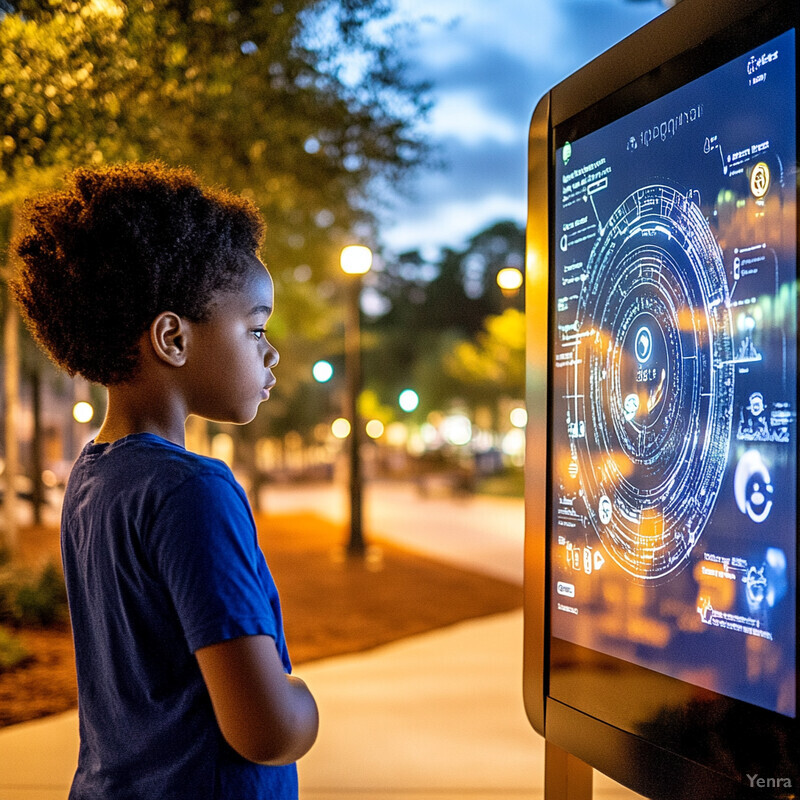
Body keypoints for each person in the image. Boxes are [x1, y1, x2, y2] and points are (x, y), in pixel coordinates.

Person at [10, 162, 319, 799]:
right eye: (255, 328)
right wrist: (302, 702)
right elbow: (265, 730)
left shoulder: (92, 477)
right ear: (172, 338)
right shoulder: (193, 491)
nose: (272, 352)